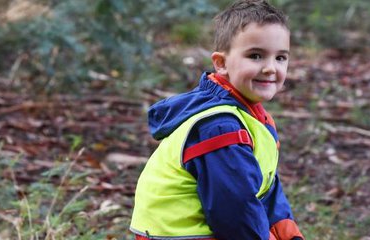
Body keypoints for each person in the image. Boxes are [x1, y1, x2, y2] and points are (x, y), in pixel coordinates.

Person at [129, 0, 304, 239]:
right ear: (221, 64)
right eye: (255, 56)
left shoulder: (251, 116)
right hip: (180, 235)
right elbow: (234, 211)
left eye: (280, 58)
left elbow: (266, 190)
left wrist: (289, 234)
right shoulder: (220, 127)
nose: (270, 68)